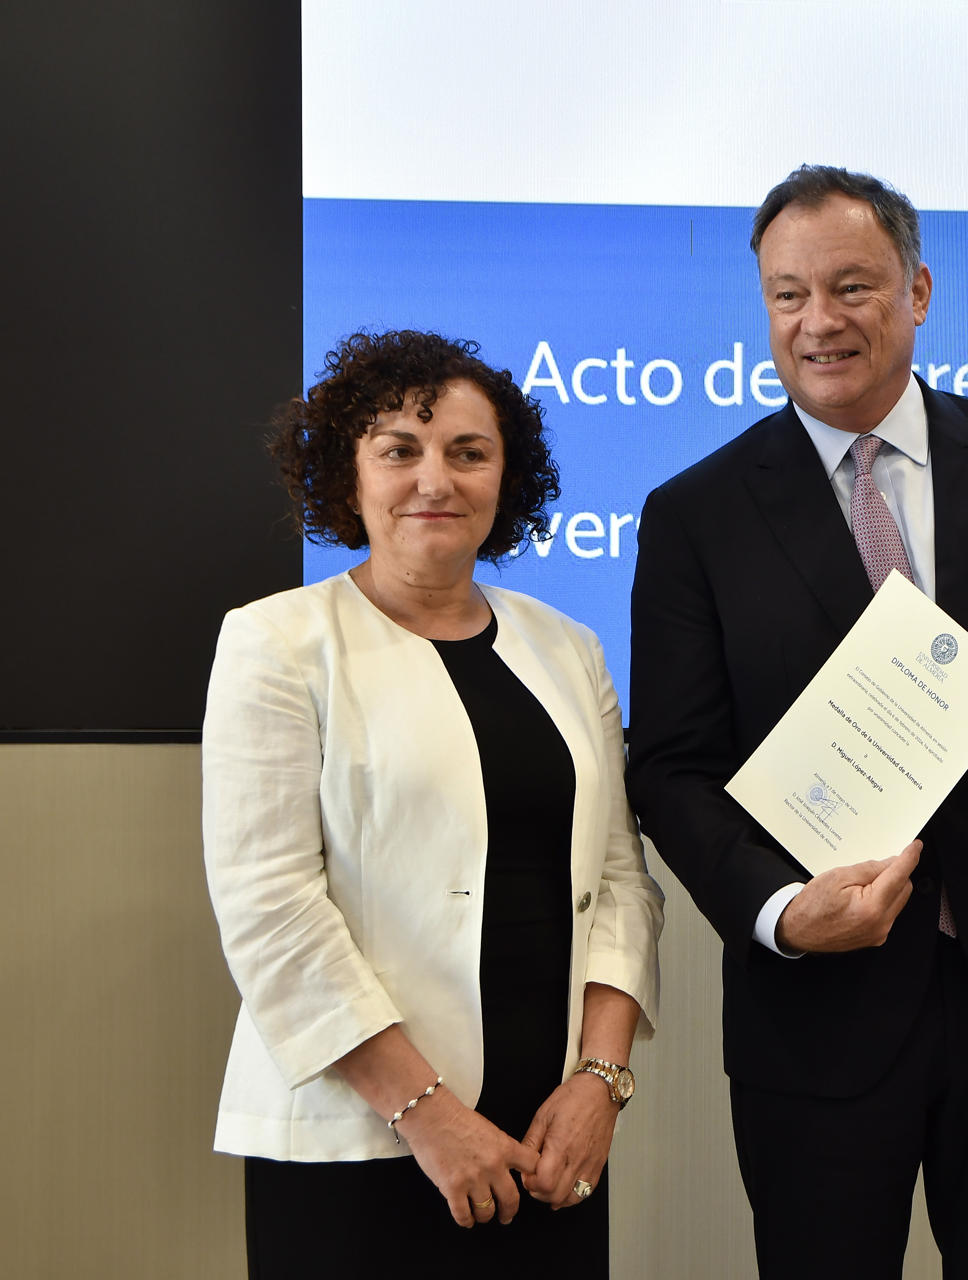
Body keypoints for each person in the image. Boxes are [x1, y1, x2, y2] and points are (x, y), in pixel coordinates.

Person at [626, 165, 968, 1279]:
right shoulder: (697, 513)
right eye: (788, 295)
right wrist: (781, 911)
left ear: (918, 289)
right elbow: (676, 767)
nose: (819, 321)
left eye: (852, 286)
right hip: (818, 1003)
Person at [202, 330, 664, 1277]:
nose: (434, 480)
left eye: (467, 451)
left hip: (550, 1141)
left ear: (506, 477)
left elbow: (621, 877)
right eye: (398, 450)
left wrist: (600, 1084)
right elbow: (271, 911)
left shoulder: (567, 646)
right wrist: (430, 1116)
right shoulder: (278, 642)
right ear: (349, 474)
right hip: (362, 1135)